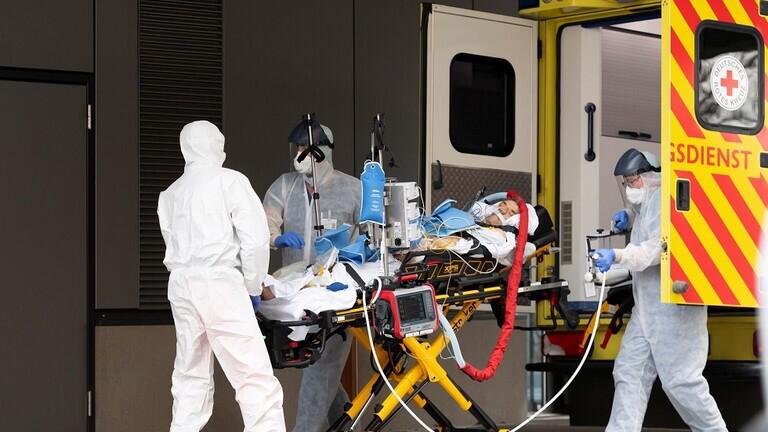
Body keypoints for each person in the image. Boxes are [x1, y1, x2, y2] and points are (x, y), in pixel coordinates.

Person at [157, 120, 285, 432]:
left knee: (190, 375)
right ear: (216, 145)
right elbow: (255, 240)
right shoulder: (231, 181)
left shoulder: (170, 194)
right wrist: (253, 285)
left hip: (181, 285)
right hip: (219, 285)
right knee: (253, 377)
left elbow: (170, 239)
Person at [594, 149, 726, 432]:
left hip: (675, 309)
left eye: (632, 180)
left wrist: (617, 256)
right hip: (647, 311)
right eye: (626, 183)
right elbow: (645, 218)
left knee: (682, 382)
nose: (629, 187)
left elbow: (656, 249)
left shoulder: (669, 199)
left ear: (650, 175)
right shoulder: (648, 202)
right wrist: (629, 216)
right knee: (629, 372)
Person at [263, 120, 361, 432]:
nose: (300, 153)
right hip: (297, 295)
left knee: (321, 372)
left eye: (306, 147)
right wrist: (276, 238)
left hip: (335, 295)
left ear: (323, 150)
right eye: (298, 147)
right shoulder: (285, 186)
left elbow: (373, 234)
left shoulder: (352, 189)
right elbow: (264, 224)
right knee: (321, 371)